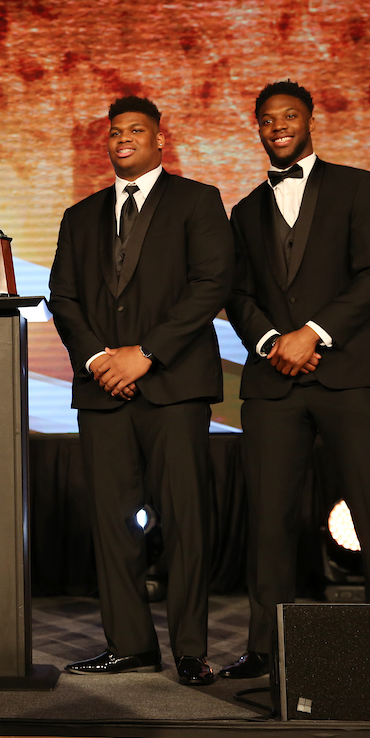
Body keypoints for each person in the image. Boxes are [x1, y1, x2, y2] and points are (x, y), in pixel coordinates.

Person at [220, 81, 370, 680]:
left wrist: (312, 332)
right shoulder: (245, 208)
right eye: (268, 119)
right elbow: (237, 292)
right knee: (269, 518)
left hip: (348, 374)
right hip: (272, 382)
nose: (279, 125)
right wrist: (272, 342)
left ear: (310, 121)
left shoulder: (359, 185)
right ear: (258, 127)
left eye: (290, 116)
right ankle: (266, 647)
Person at [48, 96, 233, 686]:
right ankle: (128, 643)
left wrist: (145, 354)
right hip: (103, 390)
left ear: (159, 139)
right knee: (112, 523)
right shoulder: (80, 216)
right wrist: (101, 358)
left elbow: (211, 284)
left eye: (136, 130)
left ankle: (189, 649)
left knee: (185, 522)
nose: (123, 139)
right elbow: (66, 297)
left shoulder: (198, 201)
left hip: (174, 386)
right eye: (115, 132)